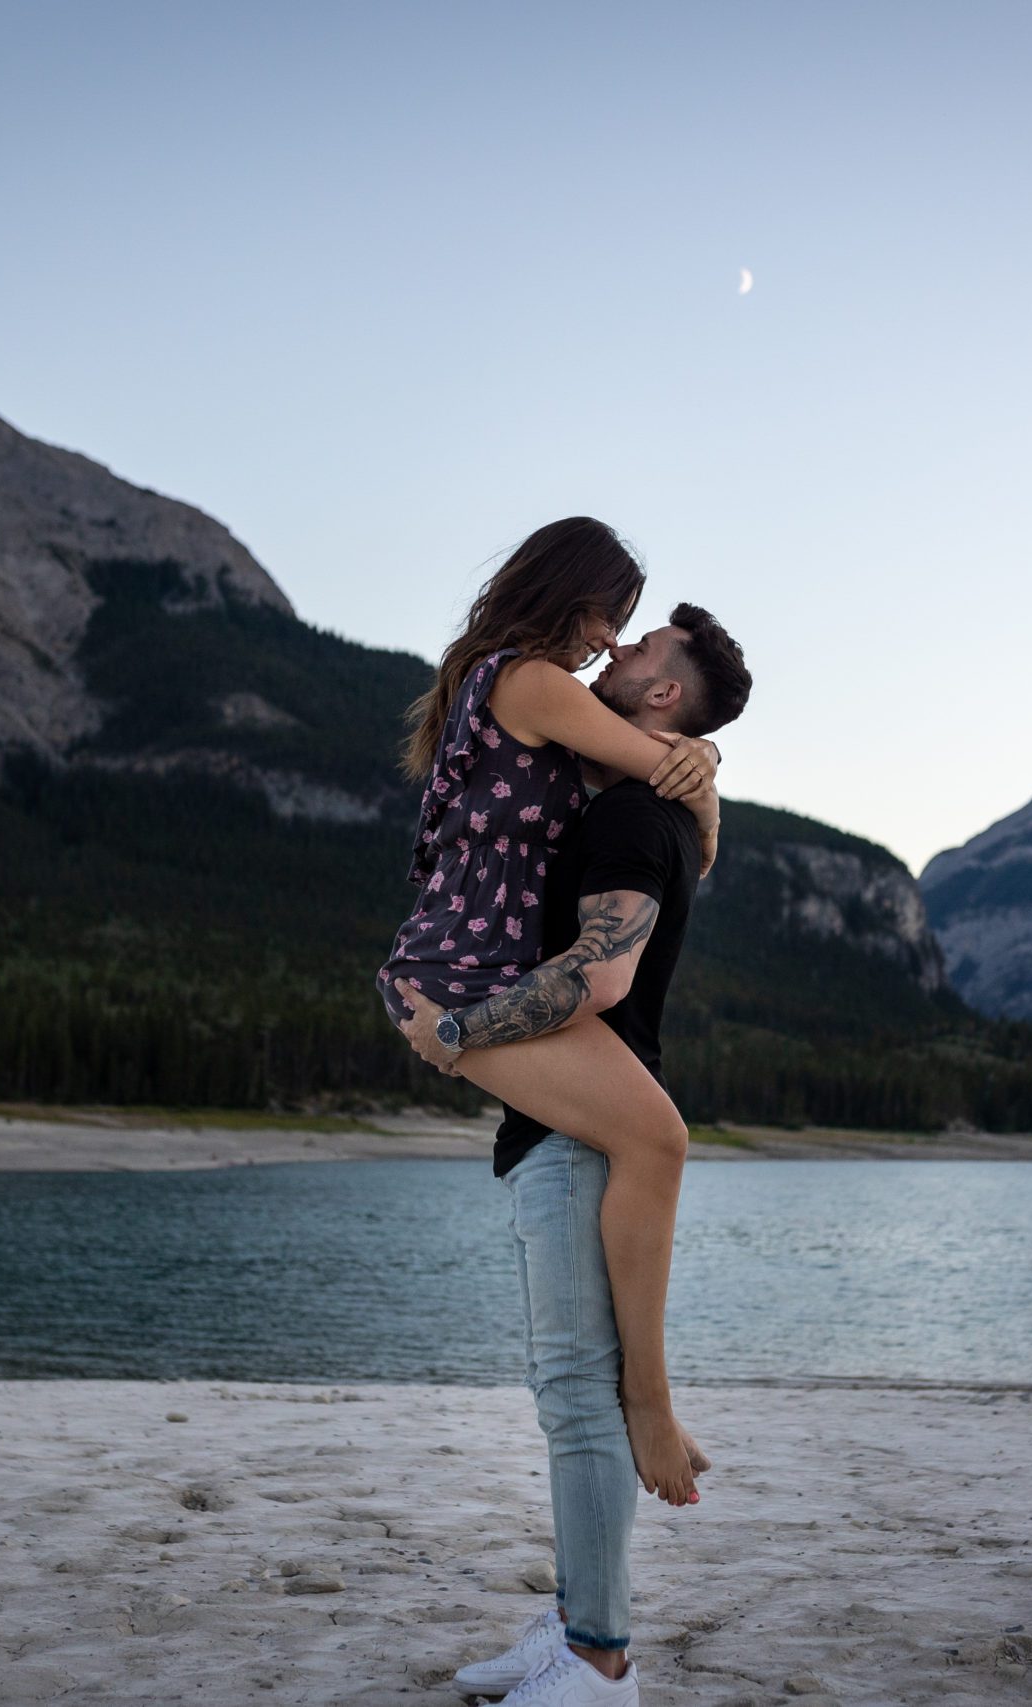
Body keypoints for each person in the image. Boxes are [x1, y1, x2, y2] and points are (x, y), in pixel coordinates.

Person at [395, 605, 753, 1706]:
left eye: (637, 652)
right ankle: (574, 1627)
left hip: (583, 1132)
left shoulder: (631, 823)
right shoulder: (622, 805)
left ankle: (597, 1660)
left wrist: (454, 1036)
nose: (613, 653)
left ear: (661, 700)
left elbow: (598, 980)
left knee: (574, 1392)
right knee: (572, 1391)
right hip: (563, 1124)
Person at [378, 519, 726, 1513]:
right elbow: (667, 785)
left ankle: (635, 1410)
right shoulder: (529, 678)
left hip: (478, 967)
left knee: (645, 1143)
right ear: (576, 604)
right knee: (657, 1139)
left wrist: (691, 764)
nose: (614, 644)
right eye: (613, 621)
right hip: (456, 973)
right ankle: (649, 1403)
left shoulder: (510, 684)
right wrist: (700, 779)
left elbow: (654, 787)